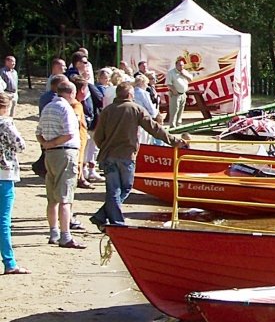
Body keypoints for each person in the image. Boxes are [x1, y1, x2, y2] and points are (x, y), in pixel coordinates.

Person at [90, 82, 187, 229]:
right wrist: (174, 141)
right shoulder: (136, 109)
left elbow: (98, 136)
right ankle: (116, 222)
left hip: (108, 155)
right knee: (125, 188)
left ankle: (102, 216)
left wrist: (103, 147)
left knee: (113, 189)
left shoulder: (107, 110)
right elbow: (154, 129)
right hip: (127, 155)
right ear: (130, 95)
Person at [36, 80, 87, 249]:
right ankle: (65, 236)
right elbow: (69, 134)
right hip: (65, 152)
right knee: (65, 197)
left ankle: (54, 233)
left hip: (50, 155)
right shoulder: (66, 108)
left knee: (52, 198)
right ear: (71, 93)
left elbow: (38, 133)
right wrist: (53, 143)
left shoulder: (48, 107)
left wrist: (46, 144)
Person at [0, 93, 29, 274]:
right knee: (3, 221)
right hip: (4, 174)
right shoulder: (5, 124)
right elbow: (20, 145)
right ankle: (9, 262)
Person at [166, 57, 193, 127]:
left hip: (183, 94)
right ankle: (172, 125)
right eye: (180, 65)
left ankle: (178, 124)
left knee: (181, 110)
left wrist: (184, 75)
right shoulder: (171, 73)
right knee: (174, 110)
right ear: (176, 65)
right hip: (175, 94)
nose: (181, 67)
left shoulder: (185, 72)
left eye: (182, 65)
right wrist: (174, 91)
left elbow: (190, 80)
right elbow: (168, 84)